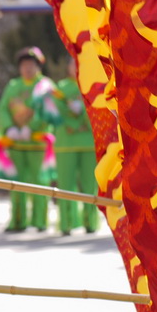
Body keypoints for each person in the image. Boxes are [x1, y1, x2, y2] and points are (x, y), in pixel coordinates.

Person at [0, 46, 54, 232]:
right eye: (24, 65)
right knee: (15, 183)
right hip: (16, 143)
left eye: (31, 65)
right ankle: (18, 220)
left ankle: (40, 221)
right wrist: (10, 128)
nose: (27, 68)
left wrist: (32, 127)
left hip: (37, 143)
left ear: (38, 66)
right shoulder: (13, 86)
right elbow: (3, 109)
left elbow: (48, 110)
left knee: (39, 182)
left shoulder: (45, 86)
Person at [44, 57, 99, 234]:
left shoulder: (92, 86)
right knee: (65, 185)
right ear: (67, 66)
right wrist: (75, 124)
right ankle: (66, 223)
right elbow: (54, 110)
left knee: (90, 185)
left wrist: (82, 115)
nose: (76, 65)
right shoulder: (58, 88)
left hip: (88, 143)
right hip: (65, 143)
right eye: (72, 62)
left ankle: (90, 222)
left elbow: (97, 109)